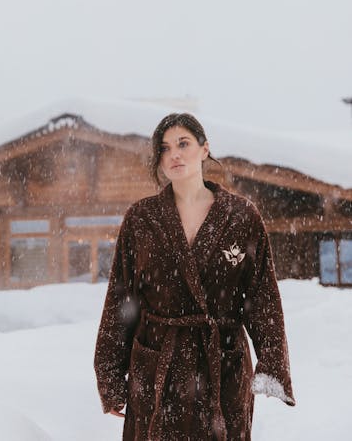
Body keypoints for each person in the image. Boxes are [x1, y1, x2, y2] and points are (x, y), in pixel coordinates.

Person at [94, 113, 295, 440]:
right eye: (164, 148)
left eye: (183, 143)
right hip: (157, 361)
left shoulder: (241, 216)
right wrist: (110, 375)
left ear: (204, 149)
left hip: (222, 362)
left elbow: (262, 297)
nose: (174, 154)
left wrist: (272, 362)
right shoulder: (141, 219)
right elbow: (120, 300)